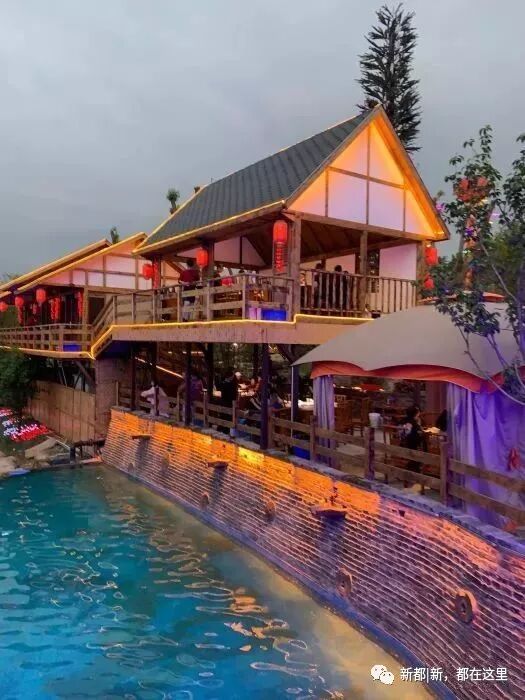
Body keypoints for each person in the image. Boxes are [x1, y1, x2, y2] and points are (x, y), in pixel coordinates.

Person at [399, 405, 427, 473]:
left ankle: (413, 467)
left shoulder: (403, 420)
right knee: (424, 443)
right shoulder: (413, 422)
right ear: (415, 414)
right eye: (418, 412)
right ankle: (416, 468)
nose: (419, 414)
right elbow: (418, 433)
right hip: (411, 445)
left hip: (403, 443)